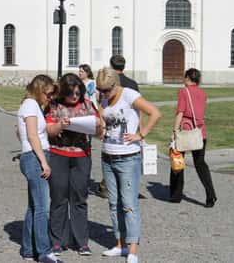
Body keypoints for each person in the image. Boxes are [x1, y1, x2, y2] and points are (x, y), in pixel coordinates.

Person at [97, 67, 161, 263]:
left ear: (115, 85)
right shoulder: (103, 97)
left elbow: (155, 113)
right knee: (113, 202)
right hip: (108, 155)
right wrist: (101, 128)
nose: (104, 94)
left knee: (129, 204)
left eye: (107, 90)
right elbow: (101, 117)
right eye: (101, 90)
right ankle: (119, 244)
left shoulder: (129, 95)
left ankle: (133, 248)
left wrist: (140, 135)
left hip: (128, 157)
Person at [46, 73, 100, 257]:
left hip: (81, 156)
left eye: (78, 92)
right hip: (58, 155)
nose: (75, 96)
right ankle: (57, 241)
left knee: (79, 198)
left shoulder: (87, 104)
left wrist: (98, 125)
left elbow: (99, 127)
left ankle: (81, 241)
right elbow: (50, 131)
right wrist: (61, 125)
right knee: (59, 197)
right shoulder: (54, 105)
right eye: (71, 93)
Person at [17, 75, 63, 263]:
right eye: (48, 93)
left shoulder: (32, 106)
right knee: (42, 208)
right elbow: (32, 135)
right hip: (35, 157)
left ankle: (28, 249)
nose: (50, 98)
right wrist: (44, 162)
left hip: (34, 156)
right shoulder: (30, 105)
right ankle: (44, 251)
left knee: (34, 207)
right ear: (39, 89)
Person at [169, 68, 217, 208]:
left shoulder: (184, 91)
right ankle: (210, 195)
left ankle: (176, 194)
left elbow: (180, 112)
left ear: (187, 78)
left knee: (177, 161)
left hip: (185, 130)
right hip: (200, 132)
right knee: (201, 164)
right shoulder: (203, 93)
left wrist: (174, 130)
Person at [96, 55, 140, 199]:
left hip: (116, 129)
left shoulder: (114, 84)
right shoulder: (132, 83)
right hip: (128, 130)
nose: (104, 94)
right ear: (124, 66)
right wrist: (139, 130)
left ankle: (108, 186)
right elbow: (138, 111)